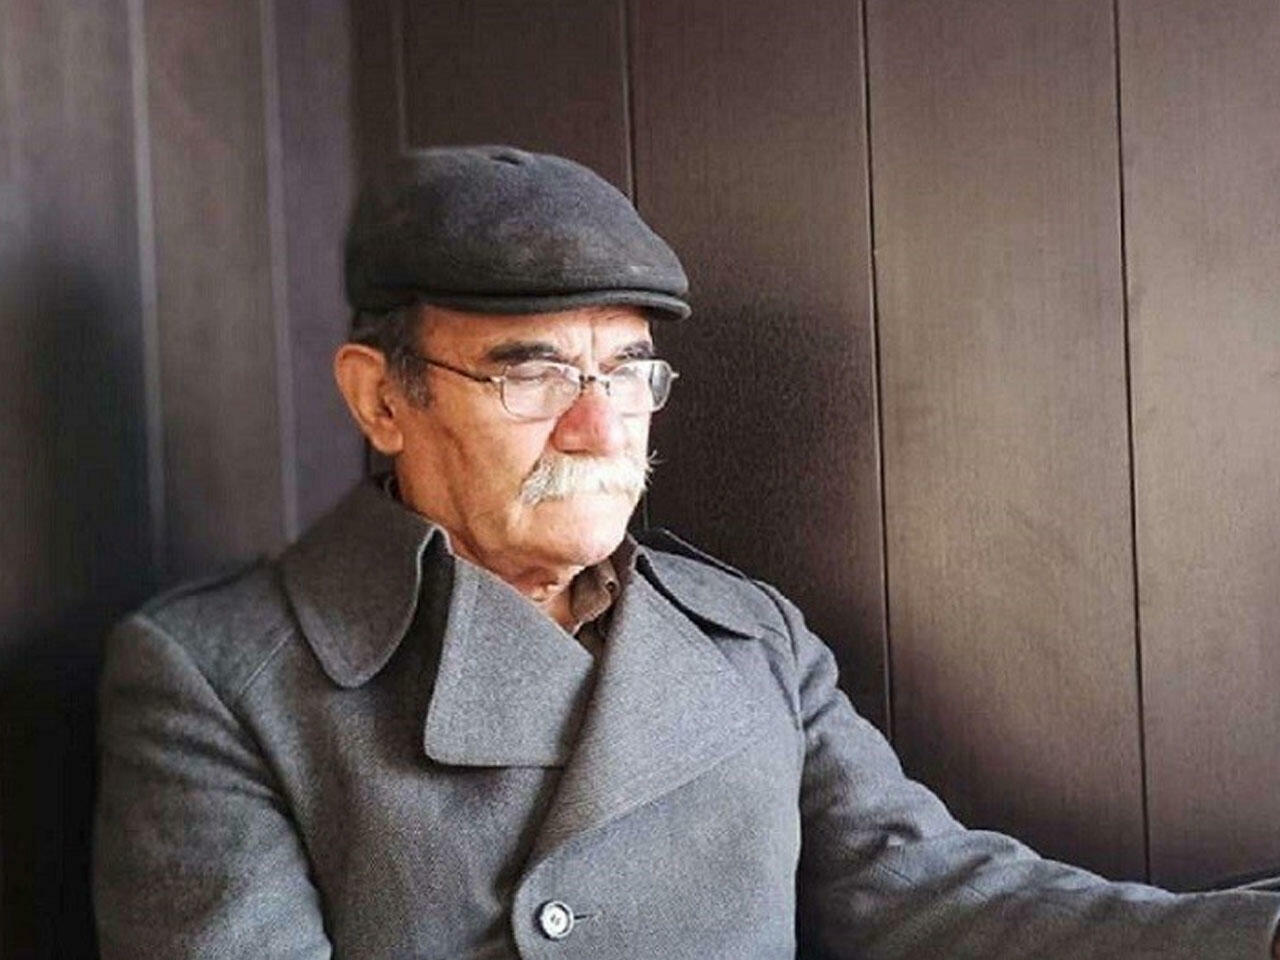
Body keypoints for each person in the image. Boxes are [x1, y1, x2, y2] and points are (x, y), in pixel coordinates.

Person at [93, 145, 1280, 959]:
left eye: (625, 374)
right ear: (382, 400)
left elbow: (931, 894)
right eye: (532, 373)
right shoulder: (216, 675)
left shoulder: (750, 639)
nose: (599, 429)